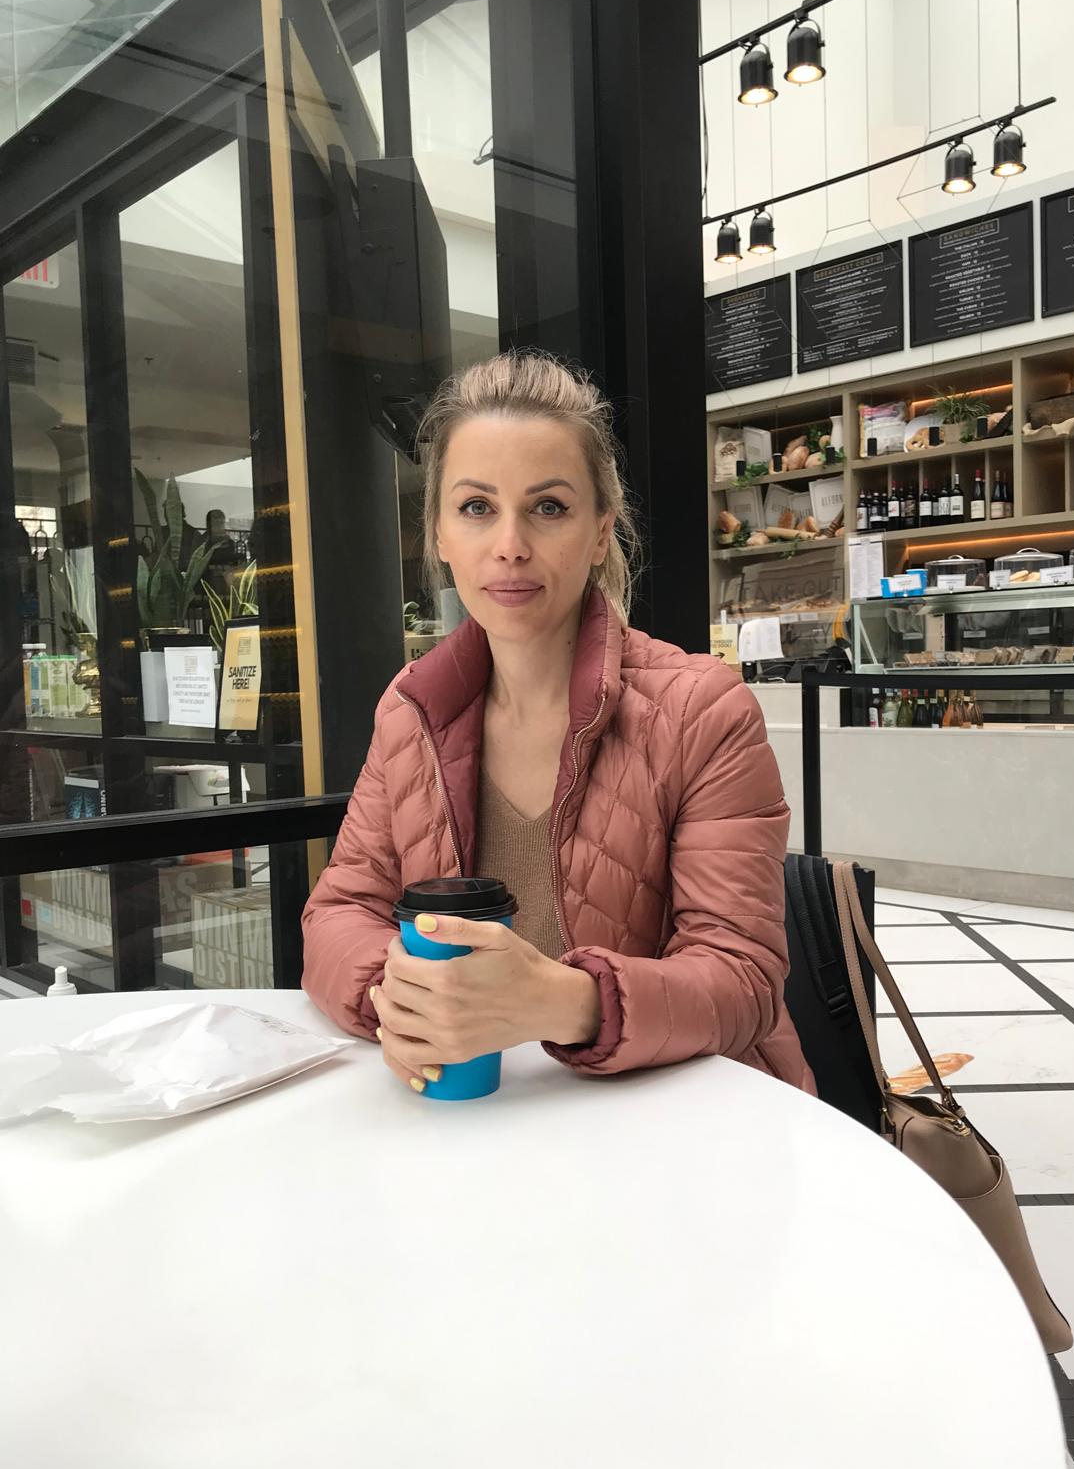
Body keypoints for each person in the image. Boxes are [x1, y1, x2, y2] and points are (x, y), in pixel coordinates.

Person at [301, 350, 814, 1094]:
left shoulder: (700, 709)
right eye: (476, 508)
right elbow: (339, 913)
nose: (510, 544)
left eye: (548, 508)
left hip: (680, 1119)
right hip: (479, 1112)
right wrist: (405, 1001)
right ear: (440, 533)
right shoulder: (411, 711)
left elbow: (744, 976)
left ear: (601, 531)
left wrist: (566, 1002)